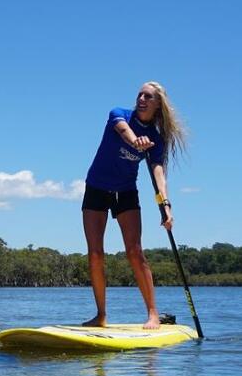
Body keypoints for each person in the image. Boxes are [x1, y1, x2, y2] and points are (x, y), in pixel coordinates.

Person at [81, 82, 189, 329]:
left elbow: (158, 171)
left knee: (134, 251)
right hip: (96, 187)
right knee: (95, 253)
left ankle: (153, 314)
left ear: (157, 104)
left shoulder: (156, 139)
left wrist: (166, 206)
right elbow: (124, 132)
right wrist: (135, 141)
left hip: (126, 191)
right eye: (140, 94)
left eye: (148, 97)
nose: (141, 99)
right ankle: (101, 315)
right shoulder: (118, 113)